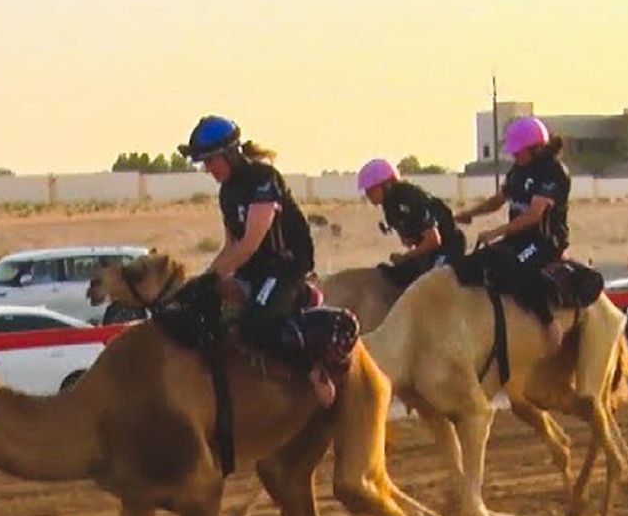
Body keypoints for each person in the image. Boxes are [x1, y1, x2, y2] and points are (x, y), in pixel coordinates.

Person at [177, 114, 335, 406]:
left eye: (211, 161)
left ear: (229, 154)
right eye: (205, 163)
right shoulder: (226, 192)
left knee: (255, 326)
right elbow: (230, 247)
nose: (208, 169)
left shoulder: (263, 179)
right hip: (254, 270)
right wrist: (204, 281)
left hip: (286, 268)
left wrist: (214, 277)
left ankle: (313, 371)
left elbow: (250, 243)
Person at [451, 115, 572, 347]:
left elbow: (534, 215)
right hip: (518, 238)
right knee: (476, 263)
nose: (514, 156)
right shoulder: (518, 170)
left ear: (535, 148)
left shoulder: (552, 172)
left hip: (545, 241)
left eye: (518, 151)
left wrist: (495, 232)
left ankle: (548, 323)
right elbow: (498, 200)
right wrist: (469, 214)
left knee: (517, 267)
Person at [355, 158, 466, 289]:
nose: (368, 195)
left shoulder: (408, 197)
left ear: (386, 184)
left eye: (371, 190)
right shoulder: (389, 206)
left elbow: (433, 240)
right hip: (431, 250)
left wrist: (405, 257)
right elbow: (410, 241)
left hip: (448, 246)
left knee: (431, 284)